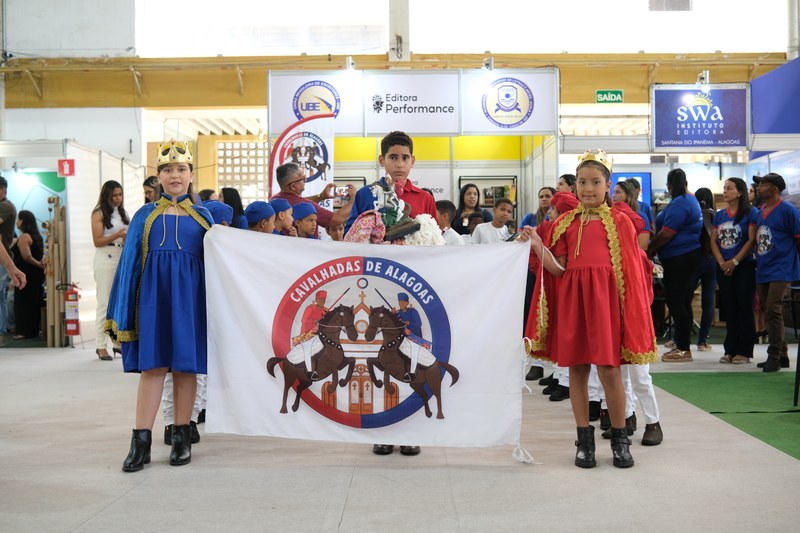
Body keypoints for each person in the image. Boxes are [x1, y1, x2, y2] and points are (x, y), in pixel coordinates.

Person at [525, 149, 656, 469]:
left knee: (610, 370)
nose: (587, 188)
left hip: (607, 305)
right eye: (582, 182)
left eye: (595, 182)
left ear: (608, 185)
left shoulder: (622, 222)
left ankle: (620, 439)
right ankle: (584, 439)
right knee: (578, 370)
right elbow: (558, 269)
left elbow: (631, 271)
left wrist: (631, 312)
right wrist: (538, 247)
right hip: (575, 303)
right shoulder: (565, 223)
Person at [106, 139, 214, 472]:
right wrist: (122, 313)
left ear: (191, 174)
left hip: (190, 303)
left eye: (181, 169)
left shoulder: (204, 217)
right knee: (153, 369)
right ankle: (140, 442)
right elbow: (129, 268)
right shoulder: (143, 216)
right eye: (168, 170)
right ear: (159, 176)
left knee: (185, 368)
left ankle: (182, 436)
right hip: (153, 303)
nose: (175, 175)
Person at [162, 198, 233, 448]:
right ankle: (171, 422)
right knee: (173, 369)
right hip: (184, 303)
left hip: (202, 304)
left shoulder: (214, 239)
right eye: (222, 222)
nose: (225, 226)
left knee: (195, 369)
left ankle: (189, 419)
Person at [647, 168, 702, 363]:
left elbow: (667, 233)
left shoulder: (681, 202)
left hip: (681, 257)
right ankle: (681, 343)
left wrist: (649, 249)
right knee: (682, 301)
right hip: (681, 257)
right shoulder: (686, 200)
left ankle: (683, 348)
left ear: (670, 185)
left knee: (676, 300)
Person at [344, 131, 438, 236]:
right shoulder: (364, 194)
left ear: (412, 161)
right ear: (382, 160)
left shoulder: (425, 199)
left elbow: (435, 239)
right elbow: (349, 236)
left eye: (405, 158)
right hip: (373, 253)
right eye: (393, 157)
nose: (399, 164)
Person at [753, 173, 800, 372]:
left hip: (782, 267)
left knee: (773, 308)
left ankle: (773, 354)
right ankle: (782, 355)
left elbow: (798, 238)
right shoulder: (759, 211)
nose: (759, 187)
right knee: (768, 308)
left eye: (763, 184)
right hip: (764, 266)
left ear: (774, 189)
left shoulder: (788, 210)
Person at [710, 178, 757, 364]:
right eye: (724, 188)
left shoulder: (751, 212)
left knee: (744, 307)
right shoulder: (720, 215)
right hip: (723, 267)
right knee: (729, 308)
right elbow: (713, 241)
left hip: (744, 266)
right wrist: (722, 262)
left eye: (729, 188)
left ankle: (744, 351)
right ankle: (730, 349)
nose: (725, 191)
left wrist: (735, 261)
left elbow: (751, 240)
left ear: (740, 192)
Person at [91, 180, 129, 361]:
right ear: (106, 195)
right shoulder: (98, 213)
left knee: (119, 302)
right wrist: (118, 234)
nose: (118, 198)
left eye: (120, 194)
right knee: (104, 303)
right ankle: (100, 345)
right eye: (114, 195)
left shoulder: (122, 213)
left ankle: (117, 342)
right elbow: (97, 240)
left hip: (121, 256)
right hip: (105, 257)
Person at [271, 162, 356, 237]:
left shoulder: (273, 201)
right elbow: (337, 219)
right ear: (293, 186)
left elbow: (299, 202)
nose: (305, 180)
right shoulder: (302, 203)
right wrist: (354, 199)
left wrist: (321, 196)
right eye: (303, 179)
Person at [687, 188, 717, 352]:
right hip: (712, 261)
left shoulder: (694, 216)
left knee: (685, 299)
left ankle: (682, 338)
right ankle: (702, 341)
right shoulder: (716, 215)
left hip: (694, 260)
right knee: (708, 302)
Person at [11, 211, 45, 339]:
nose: (16, 222)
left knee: (22, 302)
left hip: (25, 274)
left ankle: (23, 331)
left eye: (18, 219)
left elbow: (27, 257)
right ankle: (32, 330)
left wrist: (38, 264)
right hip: (36, 275)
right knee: (34, 302)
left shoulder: (24, 237)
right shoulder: (38, 236)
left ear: (22, 221)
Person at [0, 176, 18, 345]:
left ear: (3, 190)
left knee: (0, 298)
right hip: (4, 259)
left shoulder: (5, 207)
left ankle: (0, 334)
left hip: (2, 260)